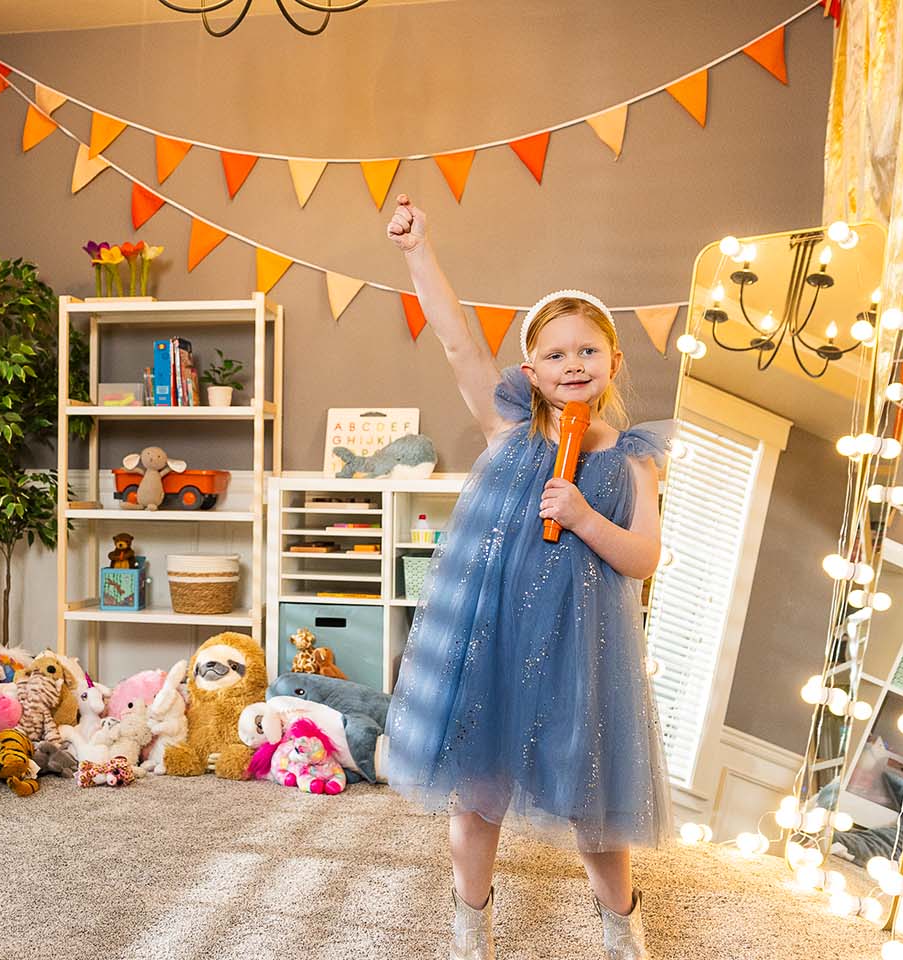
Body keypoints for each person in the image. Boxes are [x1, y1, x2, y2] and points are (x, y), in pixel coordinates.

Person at [382, 195, 671, 960]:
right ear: (530, 373)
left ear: (614, 364)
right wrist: (419, 251)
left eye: (588, 351)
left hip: (584, 653)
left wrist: (583, 517)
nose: (573, 365)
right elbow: (455, 343)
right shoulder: (508, 430)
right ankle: (469, 930)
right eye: (555, 354)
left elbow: (644, 558)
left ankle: (623, 930)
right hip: (498, 640)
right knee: (477, 799)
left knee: (596, 807)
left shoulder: (632, 456)